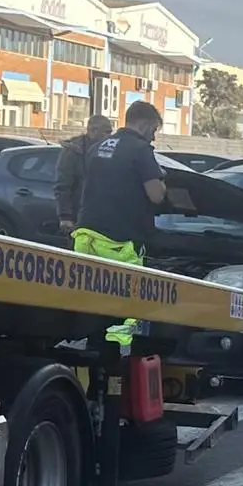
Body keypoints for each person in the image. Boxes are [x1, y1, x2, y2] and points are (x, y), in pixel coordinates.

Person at [73, 101, 169, 347]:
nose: (153, 136)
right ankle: (115, 354)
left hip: (86, 235)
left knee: (92, 298)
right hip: (121, 241)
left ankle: (93, 344)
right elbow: (156, 195)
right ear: (145, 124)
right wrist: (164, 183)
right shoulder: (140, 150)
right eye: (154, 130)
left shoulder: (98, 146)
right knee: (123, 304)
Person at [56, 114, 114, 238]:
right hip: (79, 213)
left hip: (99, 215)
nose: (110, 136)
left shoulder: (104, 150)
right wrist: (65, 216)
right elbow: (63, 185)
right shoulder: (73, 151)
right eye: (106, 132)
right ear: (93, 131)